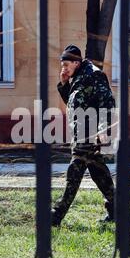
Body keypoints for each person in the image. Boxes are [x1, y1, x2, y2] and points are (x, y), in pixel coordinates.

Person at [51, 44, 116, 227]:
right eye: (62, 65)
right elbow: (74, 104)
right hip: (80, 133)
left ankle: (56, 214)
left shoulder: (94, 75)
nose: (63, 69)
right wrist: (64, 84)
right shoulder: (77, 78)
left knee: (75, 171)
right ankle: (117, 209)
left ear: (76, 62)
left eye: (66, 65)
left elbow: (107, 104)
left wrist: (103, 130)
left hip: (91, 134)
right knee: (99, 173)